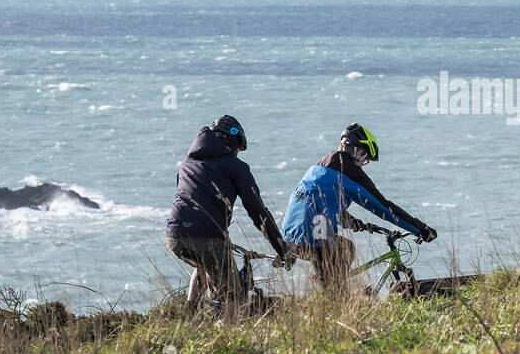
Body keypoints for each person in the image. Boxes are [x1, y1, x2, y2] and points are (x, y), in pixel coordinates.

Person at [281, 123, 436, 288]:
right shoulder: (349, 171)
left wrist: (354, 222)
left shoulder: (321, 164)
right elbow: (383, 208)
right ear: (358, 152)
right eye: (366, 159)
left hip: (289, 235)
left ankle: (323, 293)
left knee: (337, 258)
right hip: (313, 237)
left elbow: (321, 203)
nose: (363, 164)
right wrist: (420, 229)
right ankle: (333, 300)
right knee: (344, 252)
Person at [166, 115, 292, 315]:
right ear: (234, 144)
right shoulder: (236, 167)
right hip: (208, 237)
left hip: (175, 236)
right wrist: (282, 249)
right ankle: (227, 337)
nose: (237, 154)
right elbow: (257, 211)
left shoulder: (188, 162)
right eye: (238, 150)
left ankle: (189, 313)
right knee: (233, 295)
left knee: (204, 264)